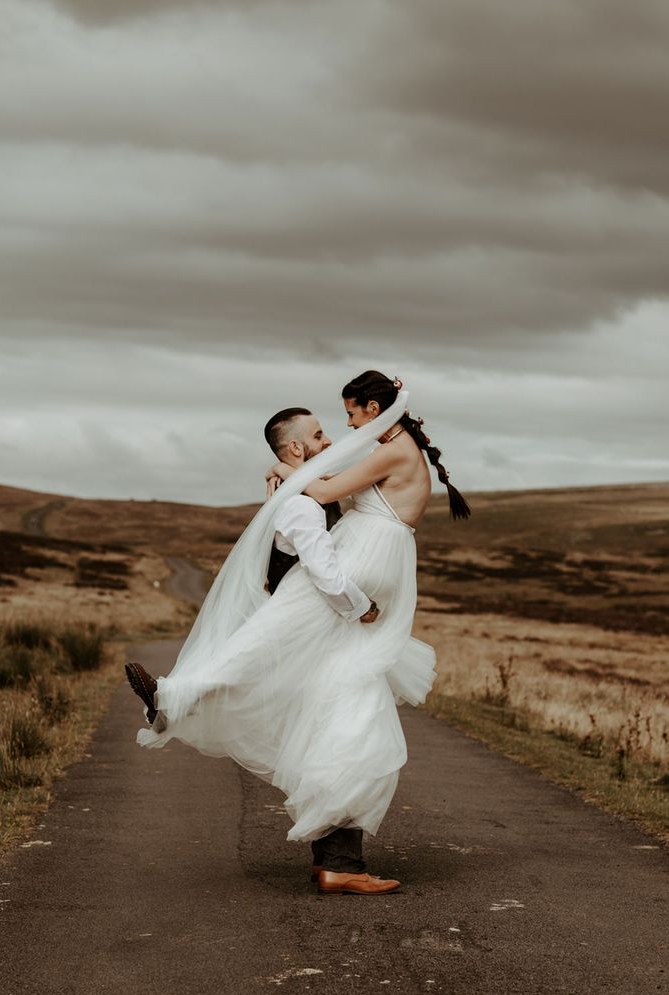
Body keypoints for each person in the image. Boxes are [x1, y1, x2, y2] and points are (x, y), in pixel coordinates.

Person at [127, 372, 468, 894]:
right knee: (336, 693)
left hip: (362, 563)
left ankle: (175, 697)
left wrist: (287, 470)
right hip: (367, 564)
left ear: (373, 408)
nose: (346, 427)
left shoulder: (393, 448)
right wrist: (291, 474)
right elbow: (328, 488)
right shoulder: (391, 446)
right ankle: (338, 860)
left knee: (275, 641)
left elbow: (326, 486)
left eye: (351, 414)